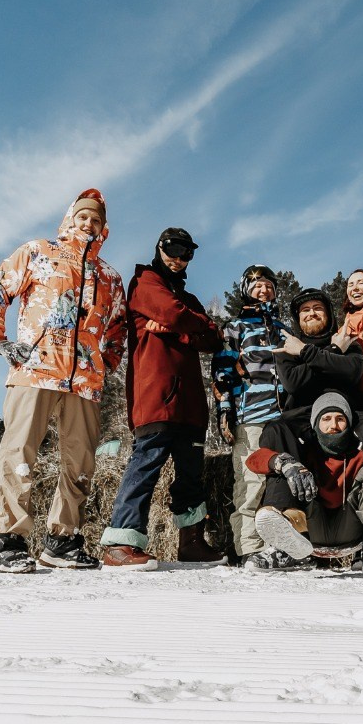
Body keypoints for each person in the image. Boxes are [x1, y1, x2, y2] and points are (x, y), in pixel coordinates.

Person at [0, 188, 127, 573]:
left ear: (104, 228)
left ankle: (63, 540)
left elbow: (118, 327)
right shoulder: (38, 252)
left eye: (96, 220)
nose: (88, 224)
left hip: (85, 381)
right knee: (19, 453)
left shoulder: (109, 276)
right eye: (83, 218)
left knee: (80, 462)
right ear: (70, 219)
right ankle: (7, 539)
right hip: (35, 370)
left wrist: (106, 361)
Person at [101, 225, 225, 569]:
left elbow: (214, 338)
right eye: (173, 249)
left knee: (190, 473)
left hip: (190, 402)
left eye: (187, 253)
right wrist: (189, 326)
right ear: (160, 247)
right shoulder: (145, 282)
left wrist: (180, 331)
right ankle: (120, 542)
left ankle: (192, 542)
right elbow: (174, 314)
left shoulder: (186, 297)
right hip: (156, 395)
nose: (179, 258)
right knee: (146, 465)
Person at [247, 391, 363, 572]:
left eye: (340, 419)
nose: (333, 425)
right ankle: (285, 544)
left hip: (355, 527)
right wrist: (281, 462)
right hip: (309, 529)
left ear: (349, 423)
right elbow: (254, 460)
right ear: (315, 423)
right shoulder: (304, 449)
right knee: (285, 468)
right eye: (326, 419)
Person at [213, 264, 293, 560]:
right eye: (257, 285)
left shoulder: (283, 329)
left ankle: (279, 547)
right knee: (251, 483)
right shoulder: (236, 327)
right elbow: (222, 374)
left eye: (269, 285)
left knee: (283, 483)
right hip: (251, 417)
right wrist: (225, 413)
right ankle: (249, 549)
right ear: (247, 289)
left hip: (283, 419)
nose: (264, 290)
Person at [278, 286, 363, 416]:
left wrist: (304, 353)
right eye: (305, 310)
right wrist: (335, 350)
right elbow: (293, 383)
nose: (312, 313)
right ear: (298, 318)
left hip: (348, 413)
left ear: (328, 314)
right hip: (301, 415)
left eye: (318, 308)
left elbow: (353, 372)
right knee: (274, 430)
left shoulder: (346, 339)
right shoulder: (288, 345)